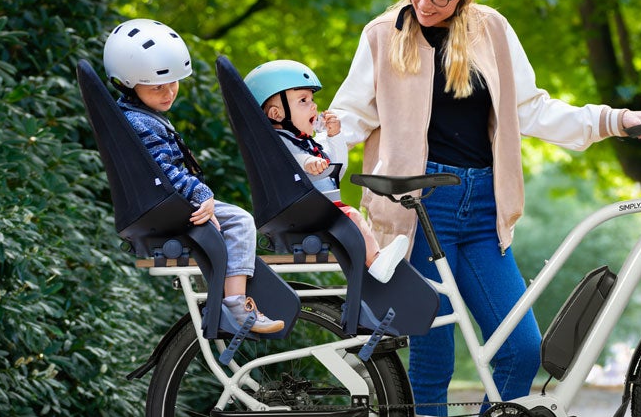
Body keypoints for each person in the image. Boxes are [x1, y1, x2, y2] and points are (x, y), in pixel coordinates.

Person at [329, 0, 641, 417]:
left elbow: (535, 111)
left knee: (519, 347)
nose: (422, 3)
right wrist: (314, 152)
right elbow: (348, 116)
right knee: (431, 353)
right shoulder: (383, 35)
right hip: (418, 206)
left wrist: (617, 121)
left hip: (484, 209)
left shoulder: (494, 33)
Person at [104, 19, 281, 337]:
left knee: (232, 222)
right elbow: (164, 171)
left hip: (166, 202)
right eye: (157, 86)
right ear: (128, 83)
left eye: (173, 82)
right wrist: (201, 193)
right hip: (167, 204)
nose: (169, 91)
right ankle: (236, 304)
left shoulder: (141, 116)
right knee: (239, 221)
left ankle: (225, 293)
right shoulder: (141, 123)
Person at [244, 59, 411, 282]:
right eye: (303, 100)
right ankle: (375, 261)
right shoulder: (277, 143)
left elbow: (335, 171)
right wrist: (306, 162)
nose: (313, 106)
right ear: (275, 114)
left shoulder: (305, 142)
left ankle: (375, 259)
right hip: (300, 210)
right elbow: (285, 162)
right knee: (352, 217)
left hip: (315, 206)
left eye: (312, 100)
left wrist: (334, 137)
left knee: (352, 217)